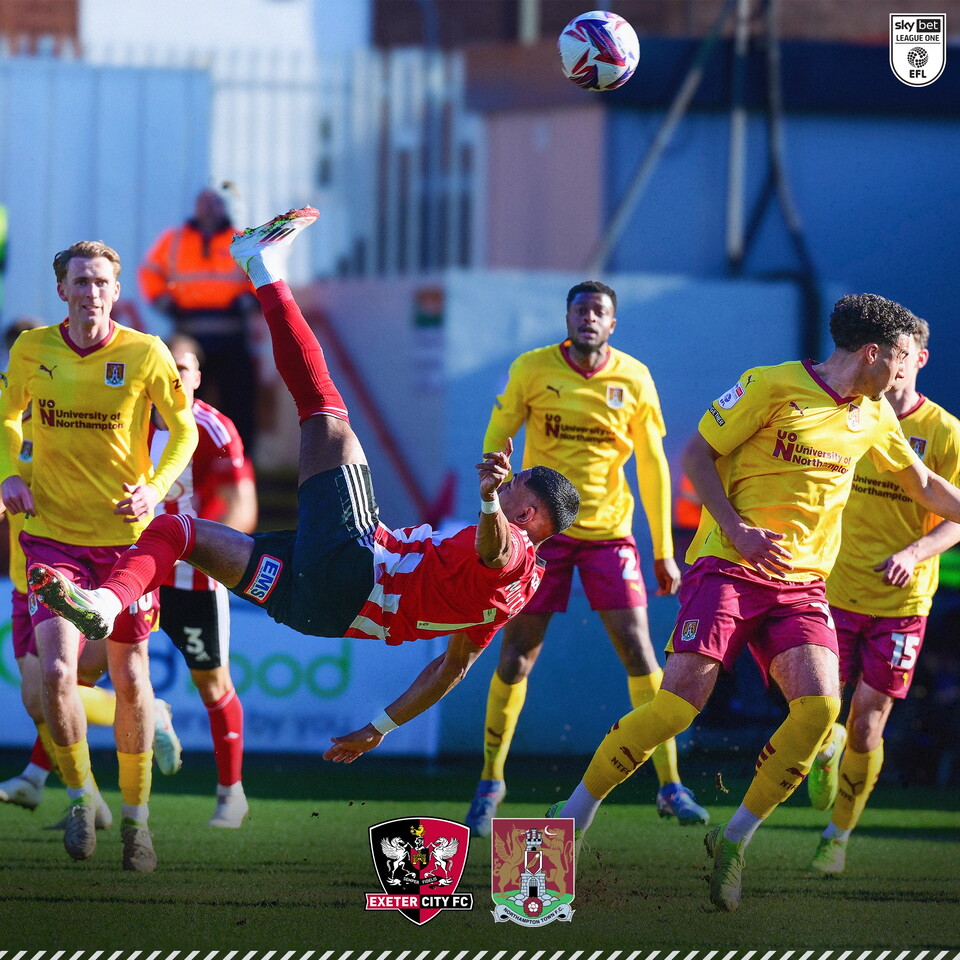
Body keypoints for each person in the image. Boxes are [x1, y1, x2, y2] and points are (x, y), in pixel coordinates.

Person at [29, 207, 581, 766]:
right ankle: (105, 601)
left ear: (531, 514)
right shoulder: (516, 596)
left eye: (517, 487)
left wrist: (490, 499)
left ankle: (259, 267)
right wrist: (380, 727)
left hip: (357, 565)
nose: (507, 484)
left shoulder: (510, 550)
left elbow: (494, 546)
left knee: (326, 413)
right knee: (178, 530)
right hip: (315, 610)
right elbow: (451, 667)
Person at [546, 293, 960, 912]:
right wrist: (737, 529)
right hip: (728, 569)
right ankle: (574, 816)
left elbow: (926, 486)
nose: (902, 371)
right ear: (871, 352)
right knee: (677, 708)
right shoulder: (767, 386)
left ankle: (733, 839)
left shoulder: (874, 416)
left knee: (820, 710)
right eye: (898, 358)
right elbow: (696, 457)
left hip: (801, 588)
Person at [465, 280, 707, 839]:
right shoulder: (532, 368)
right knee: (518, 654)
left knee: (641, 652)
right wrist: (495, 503)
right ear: (567, 317)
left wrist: (665, 552)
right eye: (581, 309)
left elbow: (652, 466)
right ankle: (490, 782)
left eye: (599, 311)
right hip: (541, 536)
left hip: (607, 534)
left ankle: (670, 785)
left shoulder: (635, 377)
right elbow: (498, 441)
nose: (589, 318)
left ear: (612, 324)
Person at [0, 242, 198, 872]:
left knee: (132, 676)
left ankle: (137, 825)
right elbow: (6, 416)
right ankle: (82, 796)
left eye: (102, 283)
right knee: (56, 676)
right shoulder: (32, 349)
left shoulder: (145, 352)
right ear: (62, 290)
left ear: (116, 291)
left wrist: (156, 487)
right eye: (80, 282)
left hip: (124, 545)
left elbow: (185, 428)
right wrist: (9, 471)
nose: (91, 292)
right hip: (52, 538)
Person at [807, 317, 960, 875]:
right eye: (890, 351)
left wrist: (914, 554)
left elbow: (955, 516)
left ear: (919, 360)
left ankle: (838, 835)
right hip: (833, 586)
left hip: (901, 602)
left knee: (869, 723)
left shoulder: (945, 431)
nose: (895, 362)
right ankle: (826, 747)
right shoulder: (851, 412)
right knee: (814, 704)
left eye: (907, 352)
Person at [152, 333, 258, 827]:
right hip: (139, 572)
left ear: (198, 377)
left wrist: (211, 551)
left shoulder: (213, 429)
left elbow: (241, 508)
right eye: (166, 367)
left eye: (184, 368)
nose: (175, 378)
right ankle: (58, 787)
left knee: (212, 685)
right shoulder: (128, 423)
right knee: (81, 669)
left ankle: (231, 793)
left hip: (194, 581)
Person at [139, 187, 260, 455]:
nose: (208, 208)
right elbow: (149, 272)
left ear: (223, 207)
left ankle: (238, 463)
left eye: (215, 203)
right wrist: (163, 301)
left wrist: (250, 299)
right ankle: (184, 461)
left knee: (240, 403)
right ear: (196, 207)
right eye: (203, 202)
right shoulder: (174, 239)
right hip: (189, 340)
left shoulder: (240, 240)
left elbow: (261, 272)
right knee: (182, 402)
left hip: (232, 338)